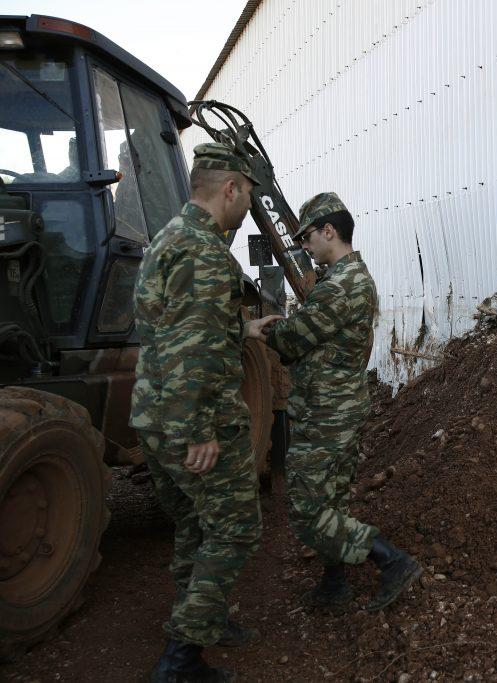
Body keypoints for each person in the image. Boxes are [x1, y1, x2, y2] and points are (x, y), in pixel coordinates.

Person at [245, 192, 421, 613]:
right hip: (338, 408)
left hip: (328, 414)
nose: (304, 244)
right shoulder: (348, 279)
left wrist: (259, 330)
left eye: (307, 236)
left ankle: (391, 561)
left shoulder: (340, 286)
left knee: (307, 510)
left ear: (330, 231)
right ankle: (334, 584)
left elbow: (292, 339)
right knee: (330, 501)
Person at [131, 142, 262, 682]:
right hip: (192, 421)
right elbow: (189, 348)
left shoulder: (168, 238)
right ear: (230, 188)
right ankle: (180, 661)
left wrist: (240, 328)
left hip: (153, 417)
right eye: (249, 193)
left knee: (192, 522)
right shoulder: (206, 254)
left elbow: (170, 327)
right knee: (234, 530)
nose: (249, 204)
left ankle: (201, 616)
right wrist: (199, 432)